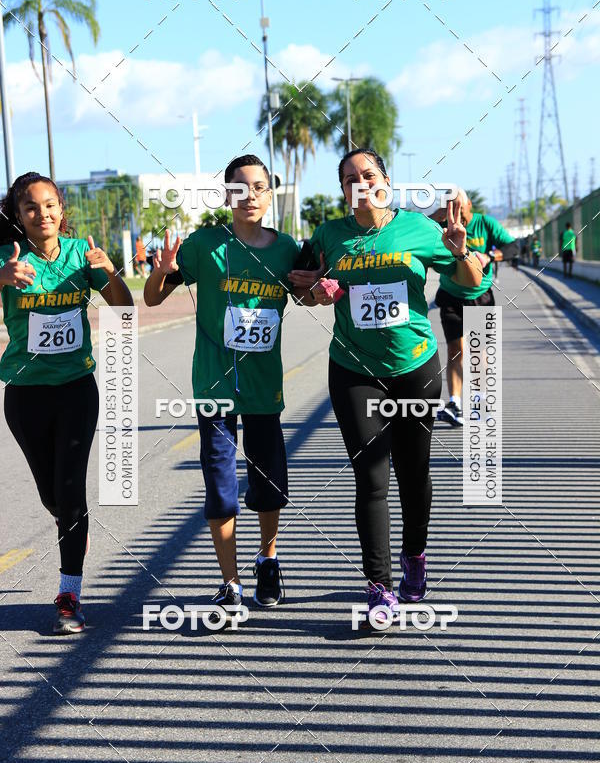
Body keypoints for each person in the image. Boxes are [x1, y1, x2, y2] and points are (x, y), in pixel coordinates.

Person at [288, 149, 485, 621]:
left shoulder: (420, 230)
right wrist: (313, 291)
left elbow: (473, 283)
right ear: (342, 189)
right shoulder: (328, 235)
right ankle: (379, 587)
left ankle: (414, 555)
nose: (361, 182)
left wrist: (458, 250)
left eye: (369, 174)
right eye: (350, 178)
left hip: (415, 368)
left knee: (414, 473)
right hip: (354, 371)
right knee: (370, 477)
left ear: (386, 180)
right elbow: (302, 290)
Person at [144, 155, 300, 614]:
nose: (248, 196)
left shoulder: (287, 248)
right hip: (213, 384)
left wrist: (320, 290)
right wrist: (161, 268)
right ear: (225, 195)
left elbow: (309, 293)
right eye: (238, 188)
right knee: (220, 484)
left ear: (270, 194)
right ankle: (229, 582)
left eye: (258, 187)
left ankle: (267, 559)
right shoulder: (203, 244)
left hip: (263, 386)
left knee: (269, 483)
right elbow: (154, 297)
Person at [0, 172, 133, 633]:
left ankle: (69, 595)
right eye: (31, 207)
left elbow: (123, 308)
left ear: (62, 208)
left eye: (50, 204)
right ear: (18, 215)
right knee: (51, 495)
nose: (43, 214)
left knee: (71, 492)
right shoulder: (6, 258)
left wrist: (109, 270)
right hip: (24, 394)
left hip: (77, 388)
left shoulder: (82, 254)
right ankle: (70, 520)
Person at [430, 191, 515, 427]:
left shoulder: (485, 223)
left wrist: (489, 256)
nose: (456, 213)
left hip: (480, 297)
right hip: (450, 296)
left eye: (459, 207)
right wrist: (433, 217)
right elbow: (414, 233)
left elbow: (512, 247)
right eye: (450, 207)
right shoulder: (440, 225)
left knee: (480, 355)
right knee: (456, 351)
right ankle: (454, 403)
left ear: (469, 204)